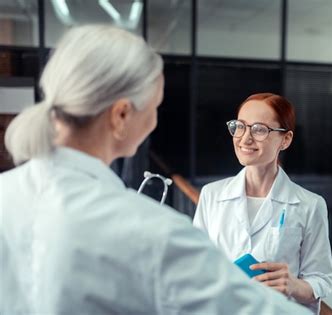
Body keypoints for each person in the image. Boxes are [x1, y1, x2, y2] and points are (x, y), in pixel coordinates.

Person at [0, 26, 311, 315]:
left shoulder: (6, 194)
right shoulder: (153, 232)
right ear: (121, 115)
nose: (154, 122)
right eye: (154, 108)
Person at [193, 93, 332, 314]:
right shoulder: (211, 195)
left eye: (259, 129)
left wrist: (293, 285)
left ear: (285, 140)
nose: (245, 138)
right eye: (240, 126)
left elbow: (322, 280)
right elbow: (196, 264)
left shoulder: (310, 205)